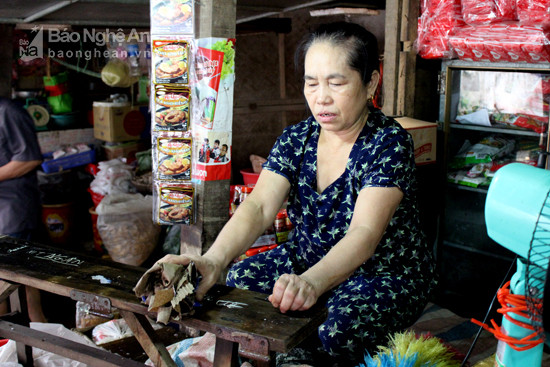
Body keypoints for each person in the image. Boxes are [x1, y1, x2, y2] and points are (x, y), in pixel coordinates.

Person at [151, 22, 436, 365]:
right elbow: (258, 206)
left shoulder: (388, 144)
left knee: (334, 328)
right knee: (236, 283)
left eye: (337, 82)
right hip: (306, 259)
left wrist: (312, 284)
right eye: (311, 83)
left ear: (371, 81)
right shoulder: (297, 138)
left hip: (382, 273)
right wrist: (213, 260)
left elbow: (364, 234)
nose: (321, 97)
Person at [0, 97, 47, 323]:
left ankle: (42, 339)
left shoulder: (7, 111)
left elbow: (29, 159)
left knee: (24, 280)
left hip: (13, 211)